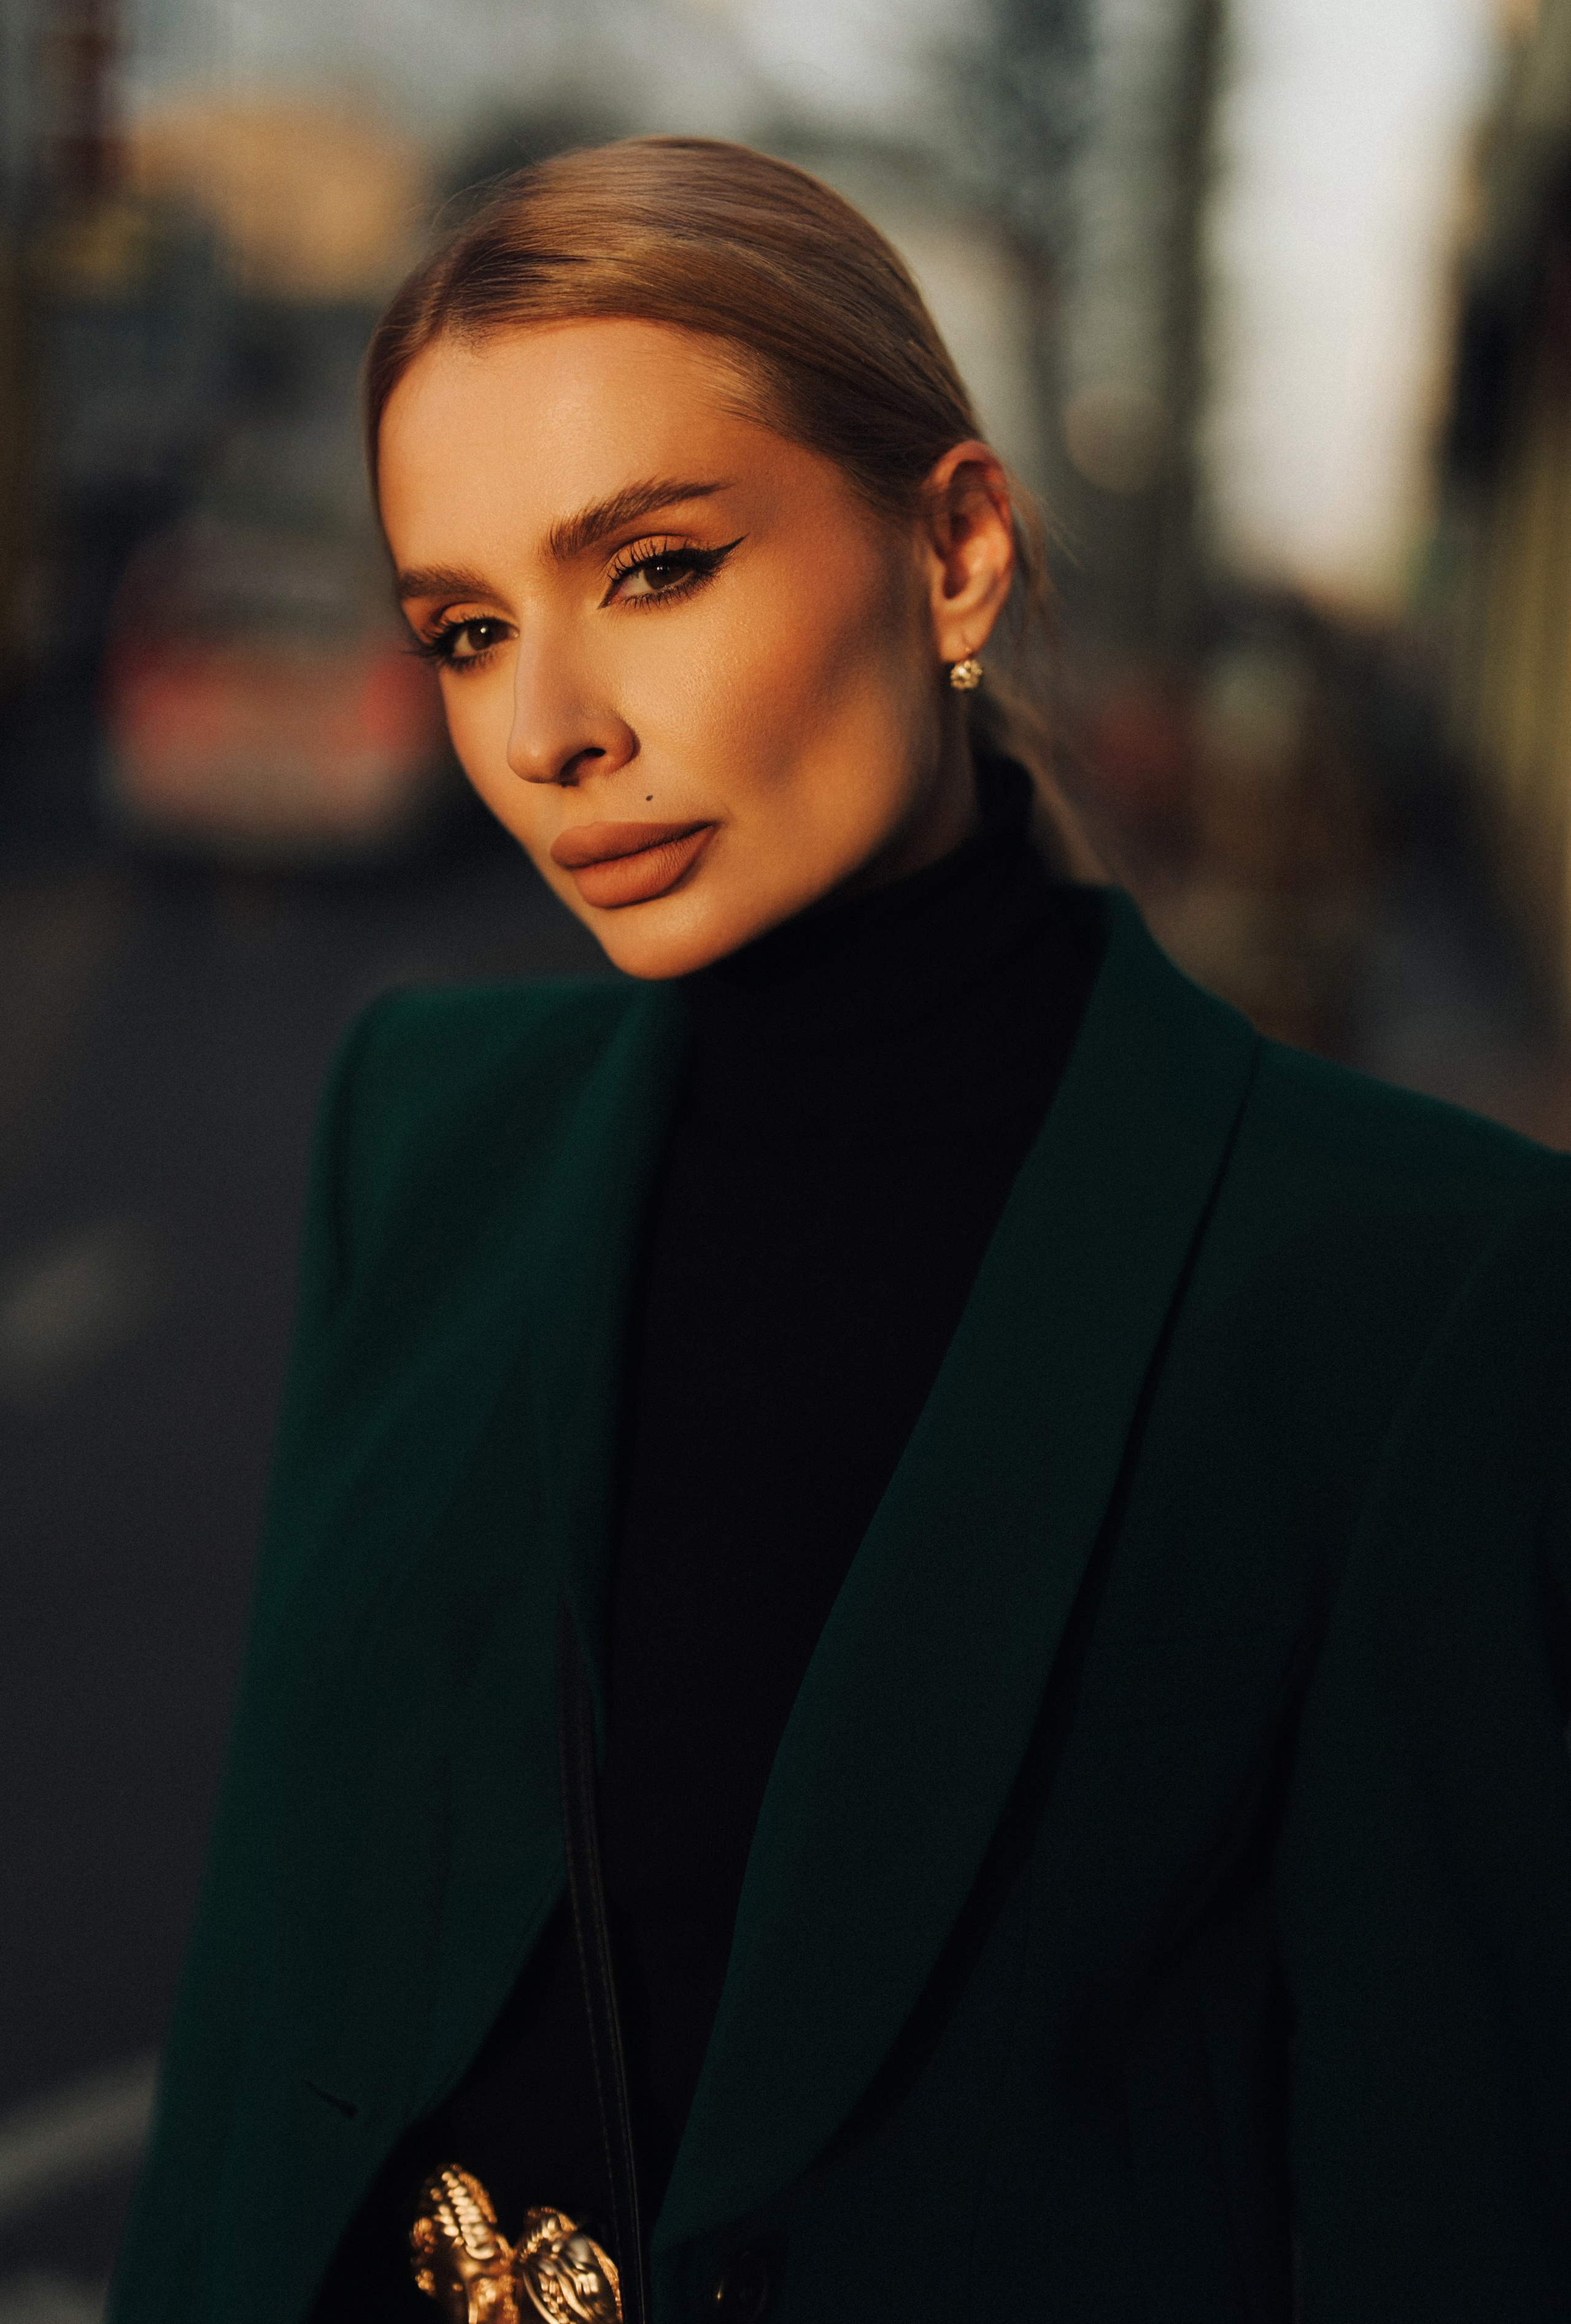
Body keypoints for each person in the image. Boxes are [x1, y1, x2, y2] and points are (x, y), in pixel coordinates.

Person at [108, 138, 1571, 2324]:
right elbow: (263, 2008)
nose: (550, 730)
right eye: (468, 631)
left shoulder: (1413, 1289)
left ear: (957, 551)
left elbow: (1443, 2214)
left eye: (657, 568)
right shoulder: (417, 1130)